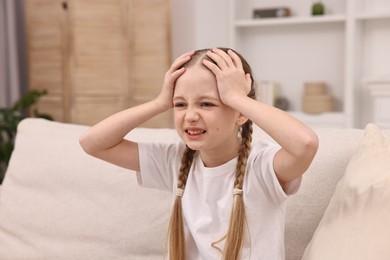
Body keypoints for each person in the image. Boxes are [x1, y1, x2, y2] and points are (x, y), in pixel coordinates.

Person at [79, 48, 319, 260]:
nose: (190, 115)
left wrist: (236, 98)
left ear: (241, 113)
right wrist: (160, 102)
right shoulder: (175, 161)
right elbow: (92, 143)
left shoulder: (262, 166)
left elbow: (305, 144)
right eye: (181, 104)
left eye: (206, 104)